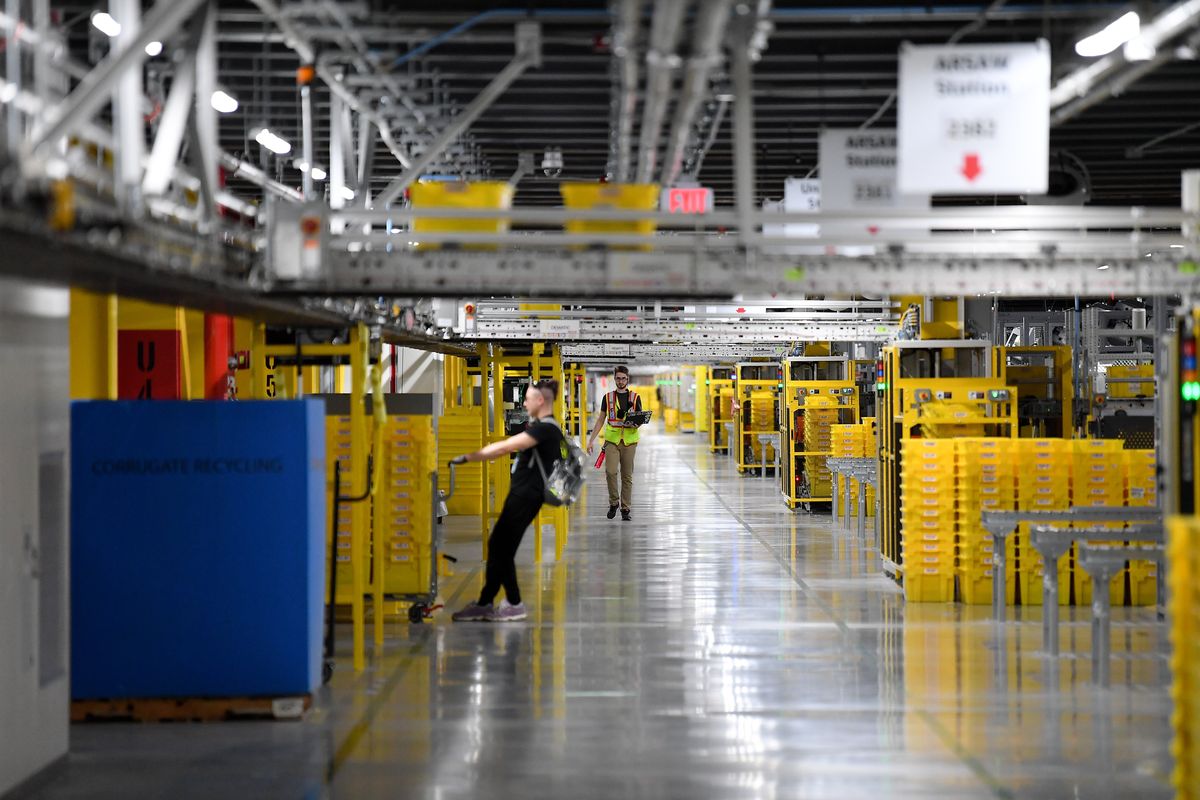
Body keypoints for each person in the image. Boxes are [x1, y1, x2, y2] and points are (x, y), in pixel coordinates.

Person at [449, 379, 564, 623]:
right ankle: (486, 603)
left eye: (529, 398)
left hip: (526, 497)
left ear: (540, 401)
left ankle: (512, 602)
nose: (524, 402)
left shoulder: (546, 429)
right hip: (522, 496)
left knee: (501, 548)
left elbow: (506, 447)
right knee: (499, 547)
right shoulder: (543, 427)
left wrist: (468, 457)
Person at [586, 365, 642, 522]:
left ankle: (625, 508)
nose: (621, 381)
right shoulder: (608, 397)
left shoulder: (635, 398)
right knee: (610, 472)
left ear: (627, 379)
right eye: (618, 378)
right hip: (611, 441)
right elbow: (600, 420)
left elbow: (640, 420)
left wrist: (634, 423)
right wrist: (590, 440)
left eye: (623, 378)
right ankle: (613, 502)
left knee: (627, 476)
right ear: (614, 379)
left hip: (630, 442)